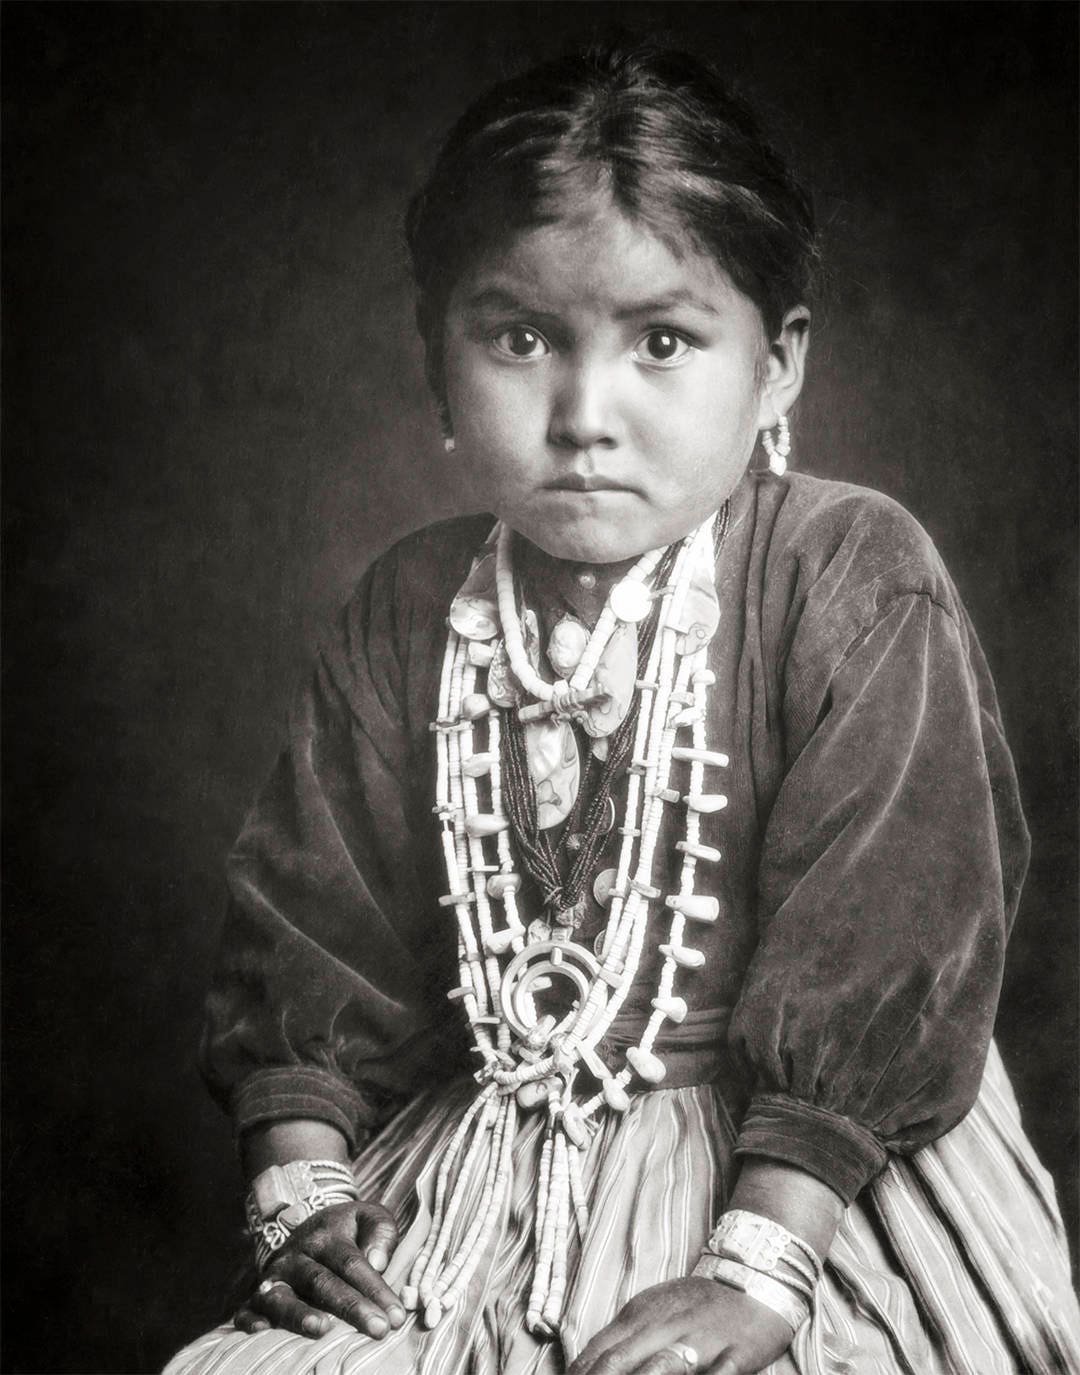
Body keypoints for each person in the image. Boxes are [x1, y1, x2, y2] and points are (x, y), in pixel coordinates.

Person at [165, 42, 1080, 1375]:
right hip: (479, 1159)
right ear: (437, 364)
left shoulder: (848, 573)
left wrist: (761, 1264)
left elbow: (893, 928)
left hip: (803, 1183)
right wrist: (303, 1181)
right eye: (521, 339)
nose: (583, 413)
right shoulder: (410, 606)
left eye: (663, 341)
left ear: (779, 369)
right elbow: (317, 928)